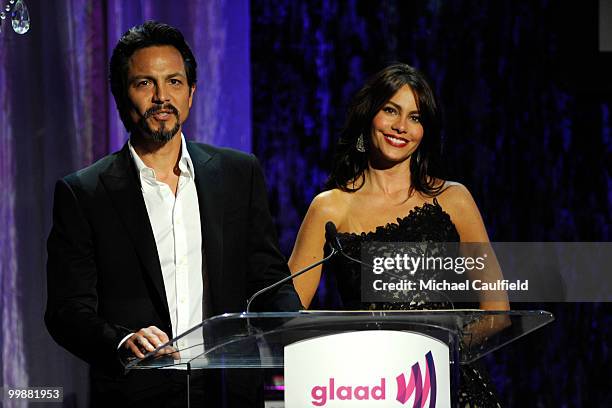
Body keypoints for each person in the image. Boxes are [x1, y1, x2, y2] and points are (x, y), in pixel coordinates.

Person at [45, 21, 302, 407]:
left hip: (228, 391)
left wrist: (307, 336)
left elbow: (267, 278)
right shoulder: (84, 193)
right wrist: (120, 341)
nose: (162, 96)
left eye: (175, 82)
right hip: (137, 392)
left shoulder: (237, 174)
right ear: (120, 95)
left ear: (191, 93)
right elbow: (67, 311)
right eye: (144, 83)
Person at [288, 63, 509, 406]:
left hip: (448, 386)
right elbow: (286, 312)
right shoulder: (330, 208)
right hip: (368, 388)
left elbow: (497, 311)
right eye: (391, 110)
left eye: (416, 117)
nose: (401, 127)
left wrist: (433, 352)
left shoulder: (454, 200)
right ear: (369, 115)